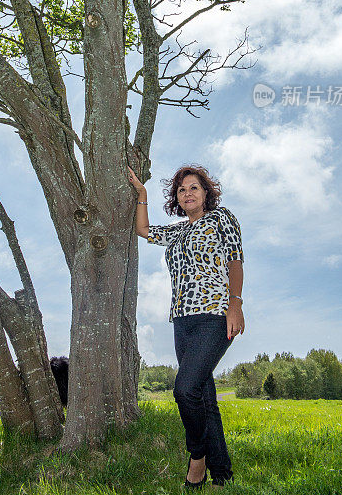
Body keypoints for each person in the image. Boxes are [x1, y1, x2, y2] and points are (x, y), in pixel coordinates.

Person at [128, 164, 244, 488]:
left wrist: (236, 304)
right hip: (181, 319)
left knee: (185, 389)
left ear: (206, 192)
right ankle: (222, 473)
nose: (187, 193)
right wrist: (142, 193)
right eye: (182, 190)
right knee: (204, 397)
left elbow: (236, 259)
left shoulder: (222, 219)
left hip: (215, 314)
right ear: (177, 199)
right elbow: (144, 230)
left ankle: (198, 457)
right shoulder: (177, 232)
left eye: (193, 187)